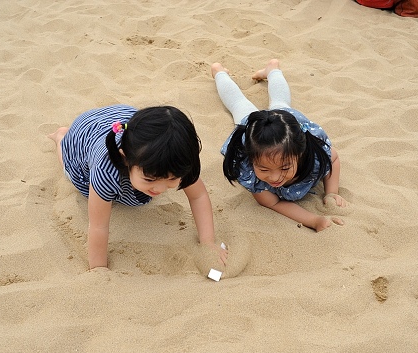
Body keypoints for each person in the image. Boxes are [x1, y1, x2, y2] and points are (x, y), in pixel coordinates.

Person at [48, 105, 227, 270]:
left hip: (122, 120)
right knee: (70, 170)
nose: (160, 189)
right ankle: (61, 137)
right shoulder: (105, 170)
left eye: (171, 179)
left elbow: (198, 196)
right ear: (125, 158)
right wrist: (99, 270)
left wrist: (208, 243)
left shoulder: (175, 158)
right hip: (82, 138)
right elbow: (98, 227)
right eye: (150, 179)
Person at [211, 59, 347, 232]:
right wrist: (313, 220)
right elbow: (274, 203)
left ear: (300, 154)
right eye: (264, 169)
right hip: (259, 130)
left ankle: (272, 69)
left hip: (285, 128)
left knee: (281, 103)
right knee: (239, 105)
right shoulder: (251, 171)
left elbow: (333, 159)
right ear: (251, 160)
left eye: (284, 167)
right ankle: (218, 72)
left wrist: (331, 192)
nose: (275, 178)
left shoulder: (312, 156)